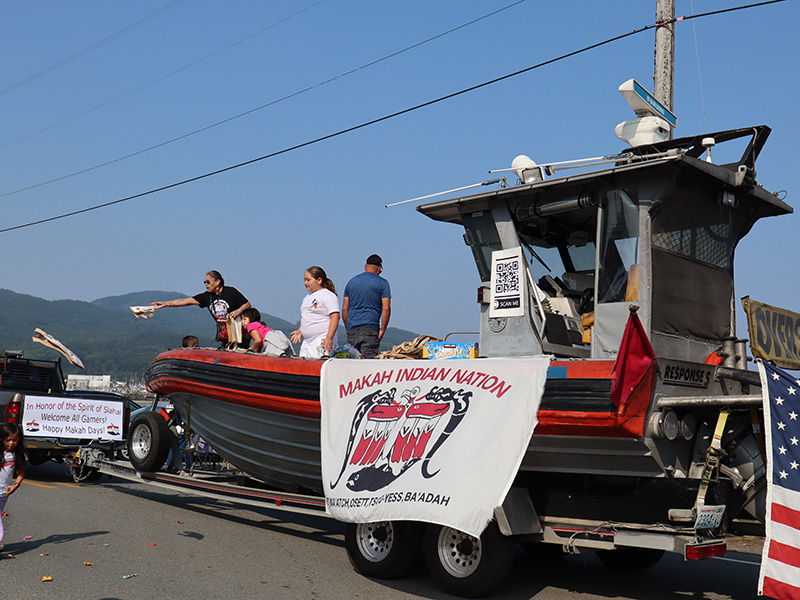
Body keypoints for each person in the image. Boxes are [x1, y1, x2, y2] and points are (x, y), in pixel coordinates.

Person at [151, 270, 251, 345]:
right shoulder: (206, 297)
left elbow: (247, 304)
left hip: (240, 332)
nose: (206, 285)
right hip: (224, 334)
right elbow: (184, 301)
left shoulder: (230, 292)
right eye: (204, 283)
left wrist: (239, 311)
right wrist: (166, 303)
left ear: (217, 282)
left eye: (208, 282)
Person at [342, 254, 391, 359]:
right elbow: (386, 308)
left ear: (365, 267)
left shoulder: (351, 282)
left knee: (351, 362)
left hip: (352, 328)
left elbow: (345, 308)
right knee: (367, 365)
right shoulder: (383, 283)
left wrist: (348, 327)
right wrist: (382, 329)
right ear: (378, 269)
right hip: (370, 328)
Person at [291, 266, 340, 359]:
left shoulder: (328, 296)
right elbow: (308, 316)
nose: (305, 283)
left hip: (321, 338)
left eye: (308, 280)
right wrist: (300, 330)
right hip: (307, 340)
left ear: (319, 280)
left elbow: (335, 316)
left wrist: (329, 337)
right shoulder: (307, 297)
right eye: (304, 280)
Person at [0, 423, 26, 550]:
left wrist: (16, 484)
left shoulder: (18, 455)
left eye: (14, 440)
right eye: (8, 440)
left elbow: (21, 472)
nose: (11, 443)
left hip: (4, 492)